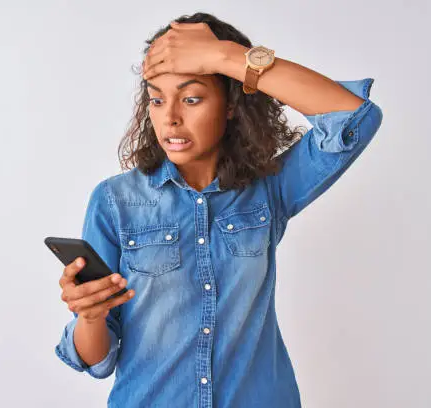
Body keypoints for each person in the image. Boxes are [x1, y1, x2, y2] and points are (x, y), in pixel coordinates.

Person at [55, 11, 383, 408]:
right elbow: (94, 359)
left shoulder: (269, 189)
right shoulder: (115, 201)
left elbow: (353, 118)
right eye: (157, 99)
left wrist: (228, 58)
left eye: (192, 98)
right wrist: (89, 316)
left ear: (230, 105)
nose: (171, 117)